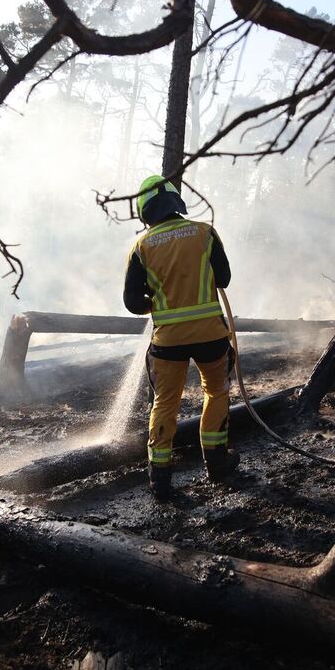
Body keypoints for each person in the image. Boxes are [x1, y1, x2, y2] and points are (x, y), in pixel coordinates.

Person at [122, 174, 240, 501]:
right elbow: (225, 278)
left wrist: (156, 300)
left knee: (164, 404)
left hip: (167, 344)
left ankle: (160, 481)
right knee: (216, 392)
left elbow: (133, 303)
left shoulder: (141, 247)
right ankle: (216, 463)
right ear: (176, 202)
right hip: (211, 337)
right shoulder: (205, 232)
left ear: (144, 211)